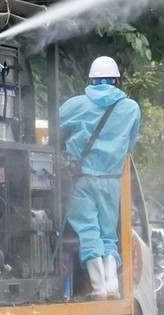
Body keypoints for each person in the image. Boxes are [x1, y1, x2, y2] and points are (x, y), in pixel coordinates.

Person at [59, 55, 141, 299]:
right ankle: (112, 285)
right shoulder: (131, 109)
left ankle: (98, 287)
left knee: (87, 230)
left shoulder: (77, 105)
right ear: (117, 81)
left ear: (91, 80)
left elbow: (55, 128)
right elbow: (130, 146)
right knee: (108, 232)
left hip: (82, 179)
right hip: (112, 180)